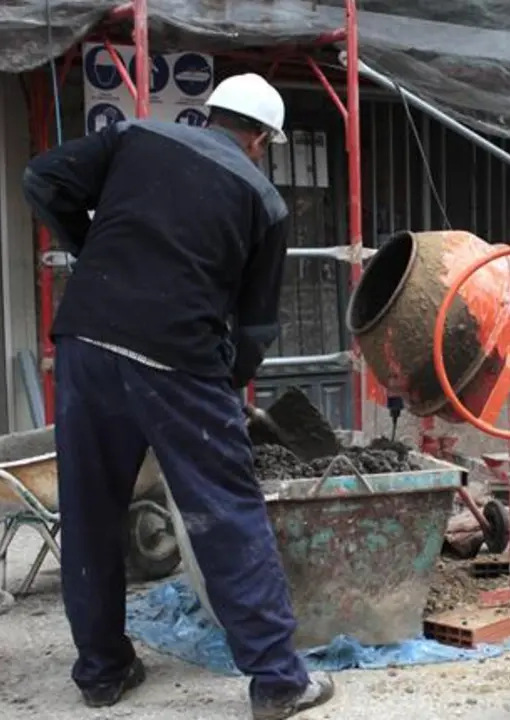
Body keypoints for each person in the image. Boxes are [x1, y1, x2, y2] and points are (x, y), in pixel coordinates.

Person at [21, 73, 335, 719]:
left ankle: (102, 673)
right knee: (226, 510)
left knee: (90, 509)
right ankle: (278, 680)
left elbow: (40, 181)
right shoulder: (263, 200)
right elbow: (255, 327)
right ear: (260, 141)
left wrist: (94, 253)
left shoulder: (133, 135)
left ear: (209, 114)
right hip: (179, 357)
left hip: (87, 341)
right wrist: (228, 382)